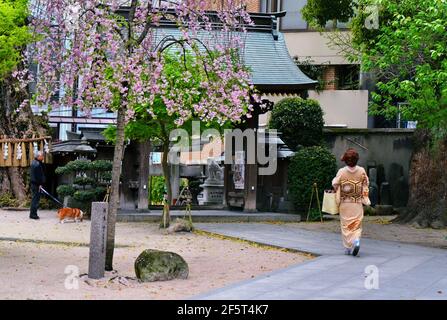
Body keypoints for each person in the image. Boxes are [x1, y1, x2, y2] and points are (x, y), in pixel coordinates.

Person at [332, 148, 369, 257]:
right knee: (356, 223)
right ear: (356, 159)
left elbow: (335, 184)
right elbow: (366, 182)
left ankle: (348, 247)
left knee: (345, 225)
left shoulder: (342, 171)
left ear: (346, 160)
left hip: (345, 202)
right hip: (356, 202)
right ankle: (356, 240)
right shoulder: (361, 170)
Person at [29, 151, 46, 220]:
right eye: (42, 156)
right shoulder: (38, 164)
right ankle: (33, 215)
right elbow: (38, 176)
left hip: (34, 184)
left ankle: (32, 214)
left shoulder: (33, 162)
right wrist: (40, 184)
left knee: (34, 199)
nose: (43, 157)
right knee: (35, 200)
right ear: (38, 156)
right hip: (36, 184)